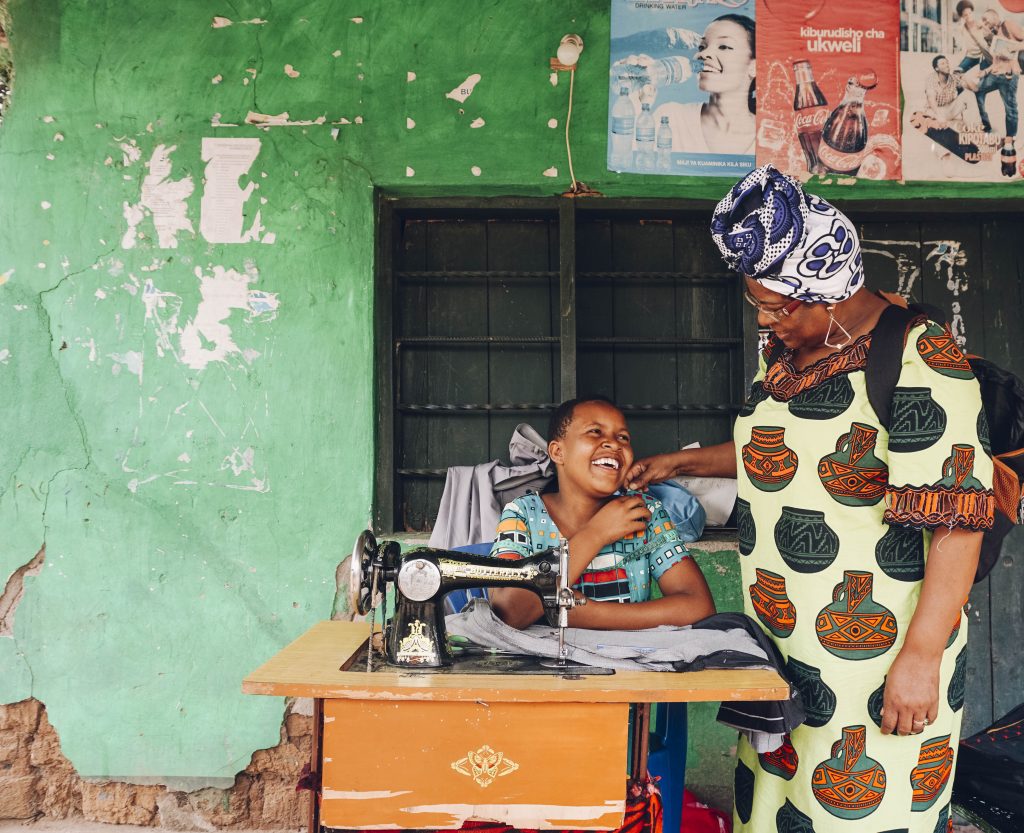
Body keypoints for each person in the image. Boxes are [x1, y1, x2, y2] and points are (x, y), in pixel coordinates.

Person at [627, 165, 994, 832]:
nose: (767, 321)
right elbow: (787, 454)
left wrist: (920, 658)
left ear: (827, 289)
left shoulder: (919, 357)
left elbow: (956, 522)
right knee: (769, 812)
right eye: (758, 305)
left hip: (874, 664)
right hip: (782, 656)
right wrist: (679, 461)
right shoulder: (792, 358)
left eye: (777, 306)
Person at [487, 396, 715, 630]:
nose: (614, 444)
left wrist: (582, 612)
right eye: (595, 432)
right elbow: (509, 611)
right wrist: (597, 533)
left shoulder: (643, 512)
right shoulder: (524, 514)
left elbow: (699, 607)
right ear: (557, 452)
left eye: (623, 437)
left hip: (629, 661)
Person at [655, 14, 756, 155]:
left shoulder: (771, 136)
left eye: (724, 46)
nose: (703, 54)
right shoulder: (670, 118)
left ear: (753, 67)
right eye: (702, 47)